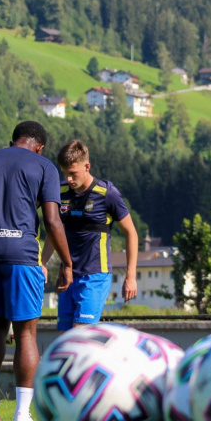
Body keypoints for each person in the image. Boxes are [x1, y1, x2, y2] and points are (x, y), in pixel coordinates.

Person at [0, 120, 73, 421]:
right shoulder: (44, 166)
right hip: (20, 253)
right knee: (25, 332)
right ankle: (22, 413)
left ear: (14, 140)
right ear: (39, 146)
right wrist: (67, 263)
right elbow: (51, 220)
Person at [41, 139, 138, 331]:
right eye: (65, 173)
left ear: (87, 166)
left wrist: (131, 276)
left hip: (95, 276)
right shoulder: (60, 193)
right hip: (67, 276)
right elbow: (54, 231)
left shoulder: (106, 193)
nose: (68, 179)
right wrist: (42, 263)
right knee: (65, 339)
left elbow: (131, 233)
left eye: (73, 173)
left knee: (80, 334)